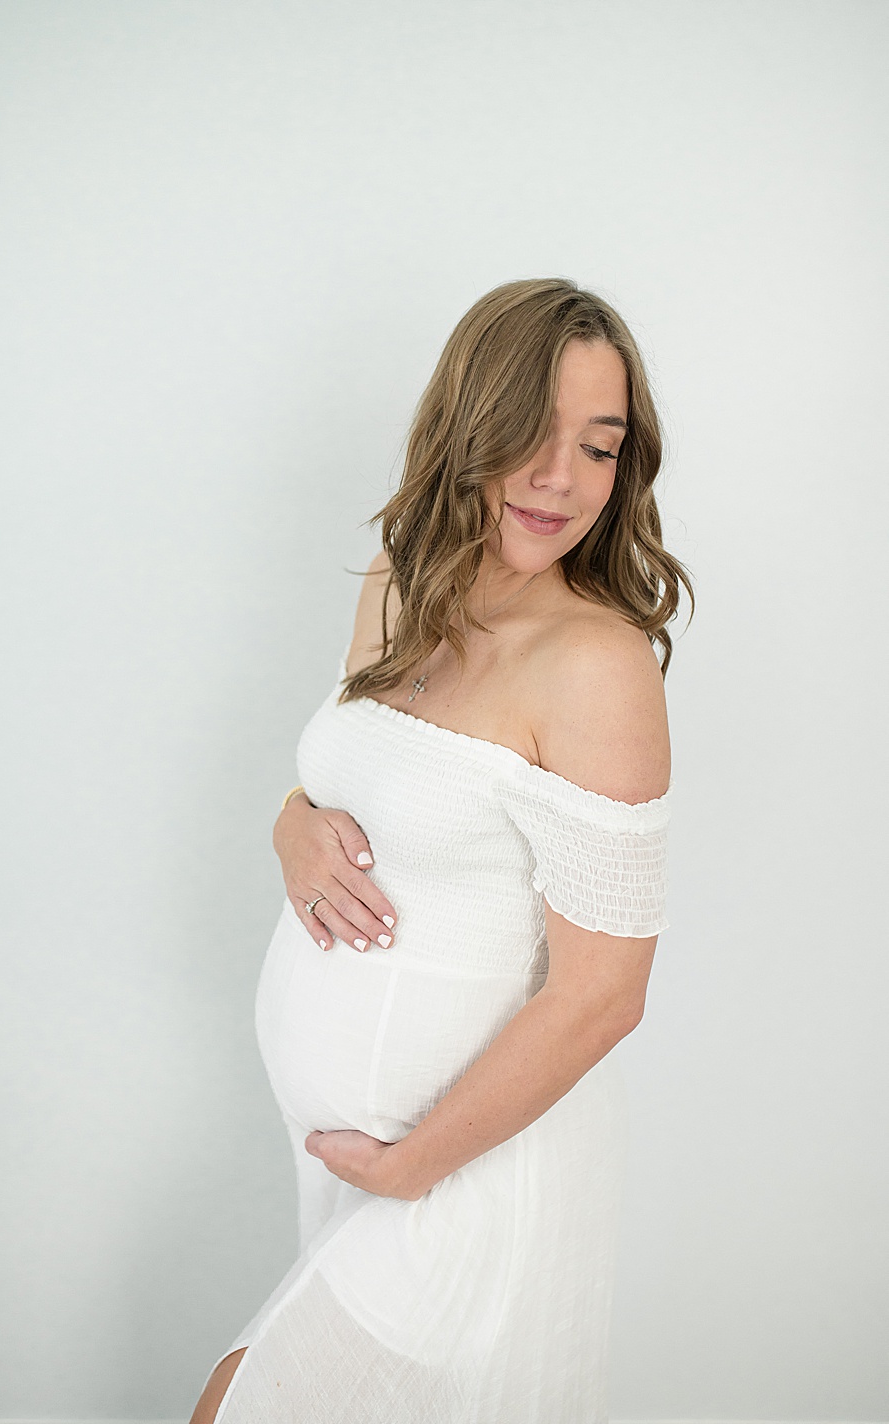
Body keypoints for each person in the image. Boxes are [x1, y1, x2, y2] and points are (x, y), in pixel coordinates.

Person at [189, 278, 692, 1422]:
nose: (561, 477)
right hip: (358, 1170)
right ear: (469, 426)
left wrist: (414, 1169)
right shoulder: (399, 585)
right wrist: (287, 823)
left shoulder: (593, 666)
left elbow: (605, 993)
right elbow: (346, 777)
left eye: (600, 446)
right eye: (530, 433)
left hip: (468, 1178)